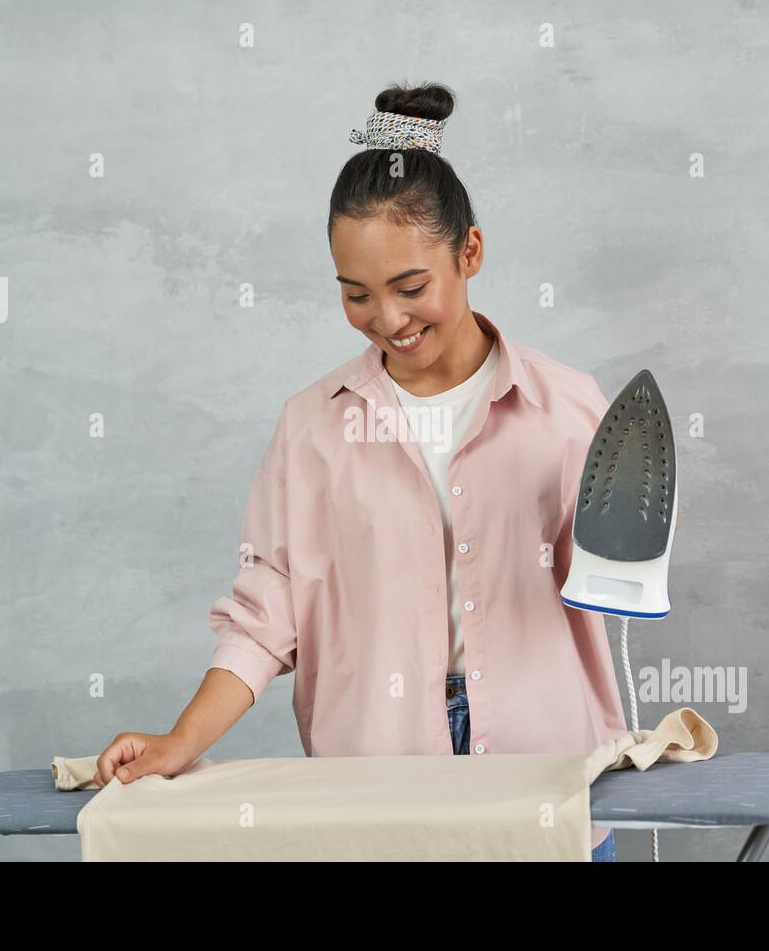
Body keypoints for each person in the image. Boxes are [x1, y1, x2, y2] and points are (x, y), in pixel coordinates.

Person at [95, 81, 634, 862]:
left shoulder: (569, 407)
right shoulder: (313, 427)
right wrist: (181, 741)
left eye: (411, 287)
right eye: (356, 295)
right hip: (375, 791)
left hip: (549, 785)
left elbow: (618, 571)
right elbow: (264, 612)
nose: (388, 319)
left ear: (470, 252)